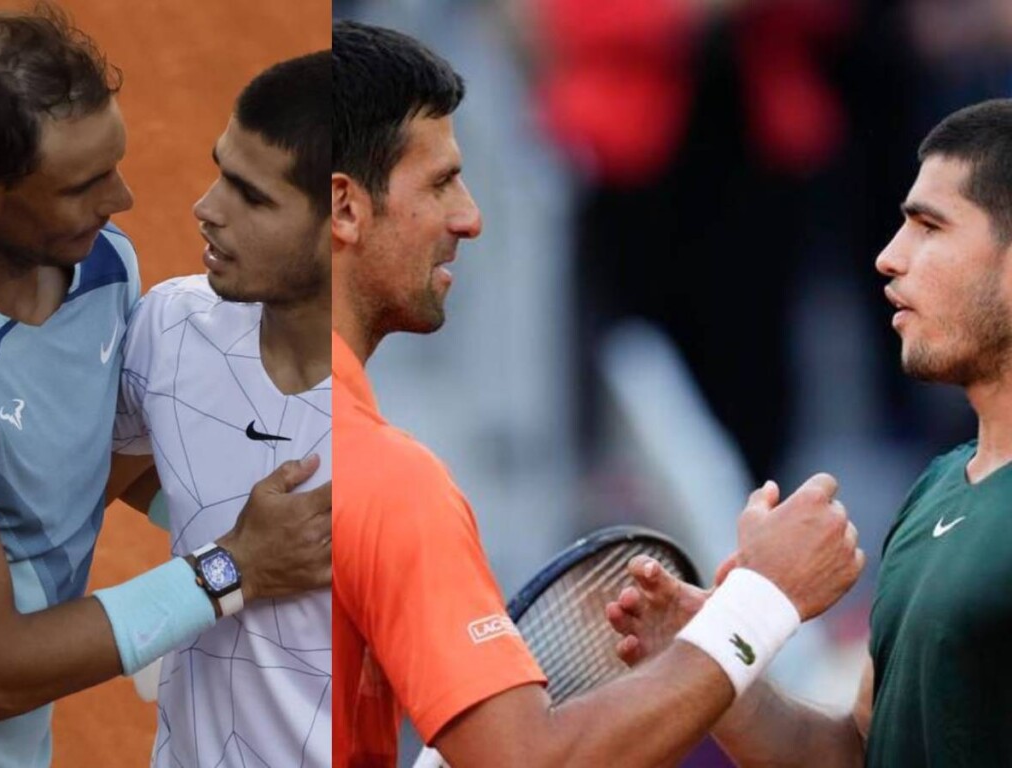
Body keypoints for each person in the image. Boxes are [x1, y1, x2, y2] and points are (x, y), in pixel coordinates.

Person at [331, 20, 864, 768]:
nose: (470, 219)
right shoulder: (392, 485)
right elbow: (531, 760)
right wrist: (764, 602)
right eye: (442, 182)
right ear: (347, 208)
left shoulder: (206, 410)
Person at [606, 98, 1012, 766]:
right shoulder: (938, 490)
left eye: (930, 228)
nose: (888, 257)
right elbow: (855, 751)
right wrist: (716, 664)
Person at [0, 6, 330, 767]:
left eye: (112, 162)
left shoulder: (103, 267)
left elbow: (90, 469)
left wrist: (300, 555)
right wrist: (227, 571)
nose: (123, 202)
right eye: (82, 185)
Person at [113, 51, 331, 767]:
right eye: (220, 170)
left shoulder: (392, 430)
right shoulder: (170, 325)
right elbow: (99, 476)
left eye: (252, 196)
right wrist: (226, 546)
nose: (206, 208)